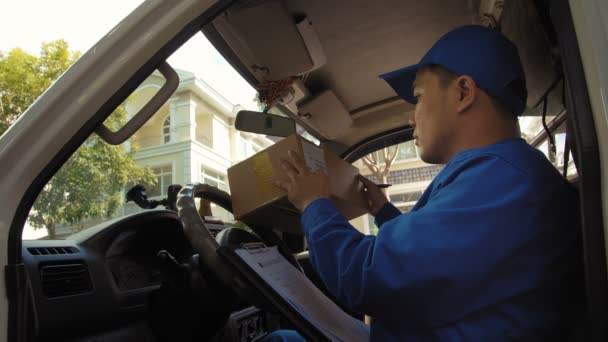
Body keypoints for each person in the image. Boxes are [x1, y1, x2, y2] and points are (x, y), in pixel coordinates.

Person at [267, 25, 579, 341]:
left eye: (418, 97)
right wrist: (384, 212)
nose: (411, 118)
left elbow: (364, 277)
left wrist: (313, 204)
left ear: (463, 93)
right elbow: (439, 264)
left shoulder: (504, 183)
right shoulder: (504, 176)